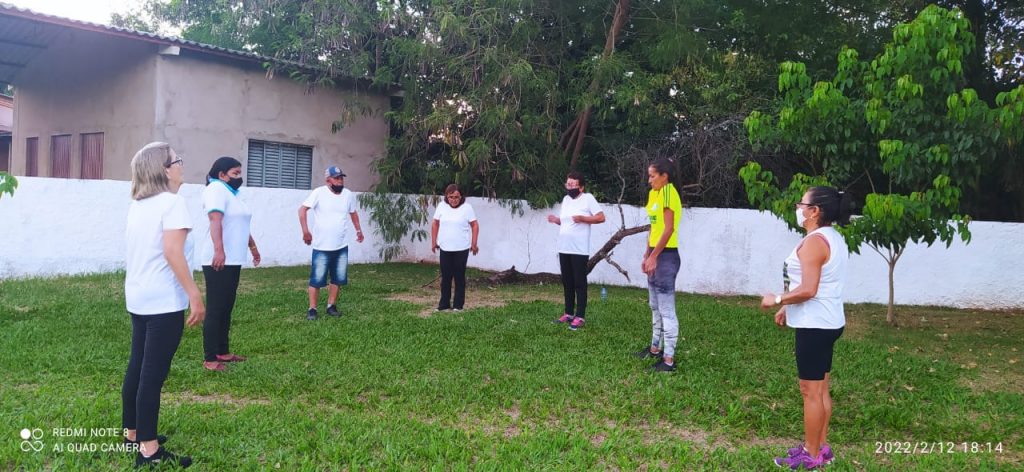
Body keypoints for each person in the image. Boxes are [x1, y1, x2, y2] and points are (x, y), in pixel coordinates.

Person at [122, 142, 204, 468]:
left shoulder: (138, 205)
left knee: (138, 365)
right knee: (152, 374)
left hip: (139, 296)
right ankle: (149, 449)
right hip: (163, 302)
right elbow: (173, 253)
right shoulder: (173, 203)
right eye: (177, 160)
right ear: (164, 170)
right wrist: (194, 295)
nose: (182, 165)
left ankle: (133, 434)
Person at [760, 186, 851, 470]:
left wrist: (776, 298)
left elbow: (809, 289)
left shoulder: (814, 243)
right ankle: (821, 448)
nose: (798, 208)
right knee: (821, 389)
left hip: (815, 327)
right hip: (828, 322)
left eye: (802, 203)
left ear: (815, 211)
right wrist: (788, 307)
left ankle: (810, 455)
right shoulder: (832, 237)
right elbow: (815, 283)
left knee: (810, 392)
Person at [199, 157, 260, 372]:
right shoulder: (216, 189)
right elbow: (215, 220)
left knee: (226, 306)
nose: (239, 177)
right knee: (216, 308)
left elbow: (241, 224)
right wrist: (219, 250)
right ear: (222, 174)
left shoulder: (234, 194)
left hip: (234, 258)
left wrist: (252, 247)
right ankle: (209, 358)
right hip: (219, 259)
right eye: (235, 173)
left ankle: (223, 352)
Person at [634, 158, 683, 371]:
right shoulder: (653, 194)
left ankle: (668, 360)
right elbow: (653, 228)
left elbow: (668, 229)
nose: (649, 179)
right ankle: (655, 348)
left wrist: (655, 256)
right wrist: (647, 254)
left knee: (666, 310)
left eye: (653, 175)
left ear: (665, 176)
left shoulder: (669, 192)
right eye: (649, 175)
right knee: (654, 306)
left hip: (666, 257)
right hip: (655, 253)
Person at [298, 166, 364, 320]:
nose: (340, 181)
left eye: (341, 178)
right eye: (336, 178)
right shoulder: (319, 193)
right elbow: (302, 210)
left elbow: (353, 213)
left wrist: (359, 231)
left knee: (338, 278)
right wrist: (305, 232)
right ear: (328, 180)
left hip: (341, 246)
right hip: (321, 246)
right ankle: (312, 309)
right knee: (317, 279)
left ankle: (331, 306)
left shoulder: (348, 195)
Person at [547, 171, 605, 330]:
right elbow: (566, 222)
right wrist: (556, 220)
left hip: (579, 250)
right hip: (564, 247)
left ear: (581, 187)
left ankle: (580, 316)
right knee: (567, 281)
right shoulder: (566, 200)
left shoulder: (588, 199)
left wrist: (583, 218)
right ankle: (568, 313)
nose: (569, 187)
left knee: (579, 282)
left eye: (573, 185)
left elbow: (601, 217)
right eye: (568, 184)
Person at [431, 184, 479, 311]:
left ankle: (458, 305)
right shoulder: (441, 206)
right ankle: (444, 304)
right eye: (451, 197)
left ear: (461, 196)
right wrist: (433, 242)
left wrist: (474, 244)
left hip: (462, 248)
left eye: (456, 197)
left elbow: (474, 225)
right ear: (447, 196)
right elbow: (435, 223)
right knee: (446, 277)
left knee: (459, 276)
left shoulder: (467, 208)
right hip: (445, 248)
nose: (454, 199)